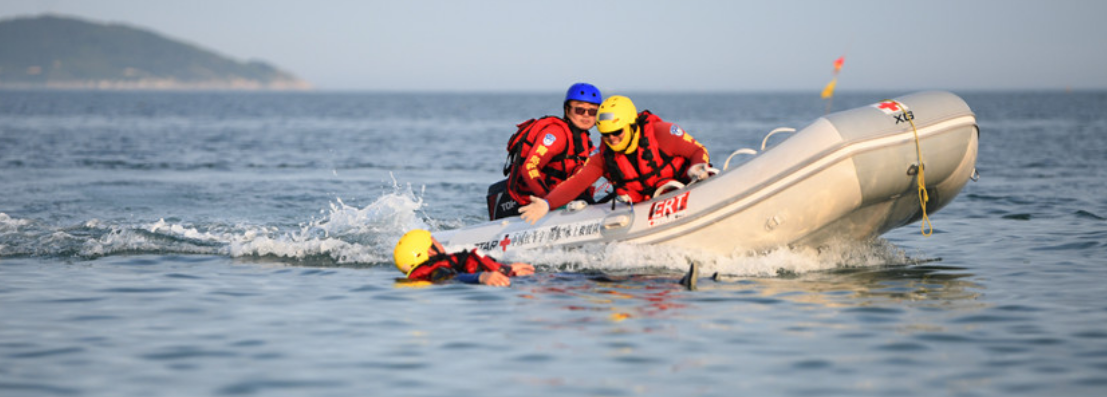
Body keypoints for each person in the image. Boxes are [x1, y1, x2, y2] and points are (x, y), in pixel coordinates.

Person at [519, 95, 712, 224]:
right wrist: (547, 203)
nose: (612, 138)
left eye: (616, 132)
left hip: (684, 193)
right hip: (646, 210)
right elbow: (577, 183)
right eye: (605, 134)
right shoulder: (604, 157)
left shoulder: (663, 133)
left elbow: (698, 150)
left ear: (631, 125)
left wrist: (697, 168)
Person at [487, 83, 602, 220]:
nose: (586, 116)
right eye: (579, 110)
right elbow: (530, 166)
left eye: (592, 112)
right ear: (567, 110)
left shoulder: (586, 143)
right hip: (532, 204)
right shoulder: (556, 133)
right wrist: (548, 202)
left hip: (560, 203)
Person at [393, 229, 535, 287]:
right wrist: (481, 277)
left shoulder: (434, 270)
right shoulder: (439, 271)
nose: (439, 243)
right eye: (434, 240)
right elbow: (452, 278)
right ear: (430, 251)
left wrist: (510, 269)